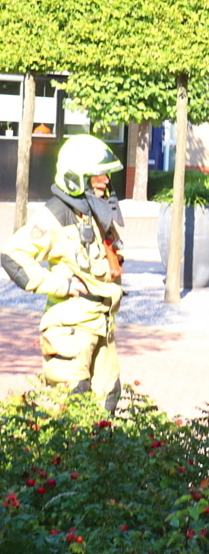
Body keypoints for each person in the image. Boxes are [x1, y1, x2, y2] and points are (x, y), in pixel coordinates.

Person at [1, 134, 125, 412]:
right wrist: (60, 285)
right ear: (76, 177)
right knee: (73, 404)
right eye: (98, 176)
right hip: (70, 329)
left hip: (101, 324)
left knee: (108, 399)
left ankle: (100, 456)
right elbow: (12, 255)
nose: (105, 180)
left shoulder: (95, 210)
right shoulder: (55, 214)